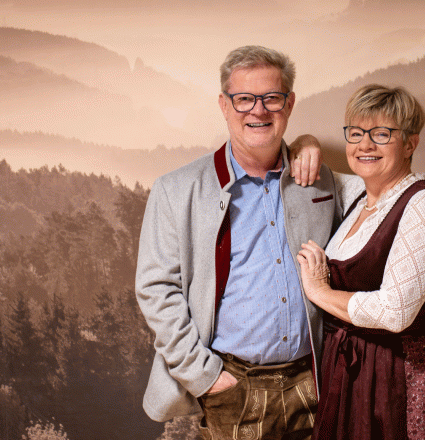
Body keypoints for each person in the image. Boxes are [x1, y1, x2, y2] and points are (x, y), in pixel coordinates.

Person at [135, 45, 340, 440]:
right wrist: (205, 377)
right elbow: (156, 289)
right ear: (224, 105)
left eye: (272, 98)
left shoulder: (320, 180)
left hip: (313, 384)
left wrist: (312, 142)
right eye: (244, 99)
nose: (258, 111)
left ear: (290, 104)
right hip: (233, 390)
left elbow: (378, 197)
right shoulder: (176, 190)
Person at [297, 84, 425, 440]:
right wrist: (305, 141)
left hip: (404, 375)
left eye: (381, 134)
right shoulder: (357, 195)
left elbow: (394, 312)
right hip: (350, 370)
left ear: (410, 144)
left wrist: (319, 291)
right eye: (356, 133)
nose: (365, 145)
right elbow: (310, 162)